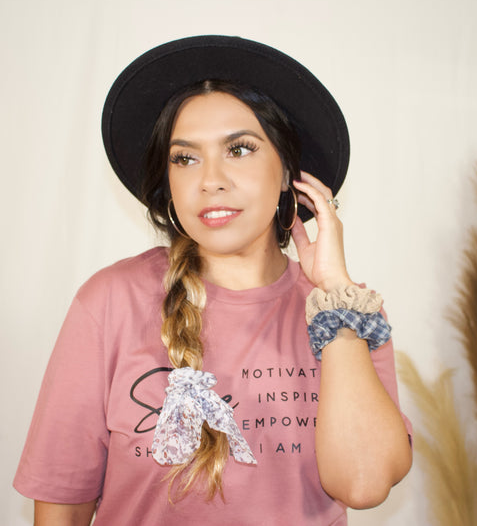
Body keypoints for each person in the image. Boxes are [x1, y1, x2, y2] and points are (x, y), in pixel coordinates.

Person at [14, 36, 412, 525]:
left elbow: (364, 484)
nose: (210, 179)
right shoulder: (110, 302)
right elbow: (61, 505)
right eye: (185, 158)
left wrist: (334, 294)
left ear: (288, 170)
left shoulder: (347, 314)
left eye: (239, 149)